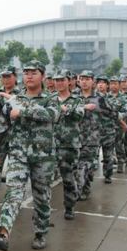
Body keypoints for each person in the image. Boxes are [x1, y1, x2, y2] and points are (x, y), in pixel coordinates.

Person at [0, 60, 59, 251]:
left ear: (43, 76)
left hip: (43, 157)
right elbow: (1, 128)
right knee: (13, 192)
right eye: (26, 72)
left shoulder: (50, 99)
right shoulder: (13, 100)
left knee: (42, 197)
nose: (29, 76)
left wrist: (23, 112)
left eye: (33, 72)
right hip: (18, 155)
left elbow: (52, 115)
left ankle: (40, 233)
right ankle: (4, 233)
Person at [53, 69, 85, 219]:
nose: (59, 83)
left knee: (67, 178)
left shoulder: (77, 100)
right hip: (50, 144)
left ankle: (69, 207)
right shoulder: (49, 99)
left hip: (69, 145)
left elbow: (79, 115)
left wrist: (65, 109)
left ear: (69, 81)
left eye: (62, 80)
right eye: (57, 80)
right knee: (44, 178)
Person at [76, 70, 102, 201]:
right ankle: (84, 187)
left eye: (87, 79)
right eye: (82, 79)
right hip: (75, 137)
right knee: (78, 166)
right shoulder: (73, 97)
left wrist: (121, 123)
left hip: (92, 138)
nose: (84, 82)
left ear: (93, 81)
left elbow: (111, 113)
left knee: (85, 166)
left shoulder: (100, 98)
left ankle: (81, 189)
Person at [95, 76, 119, 184]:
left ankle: (108, 175)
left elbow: (115, 112)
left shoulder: (111, 98)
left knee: (108, 155)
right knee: (92, 156)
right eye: (99, 82)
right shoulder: (93, 97)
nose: (100, 84)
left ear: (107, 85)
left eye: (103, 82)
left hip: (108, 131)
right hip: (94, 131)